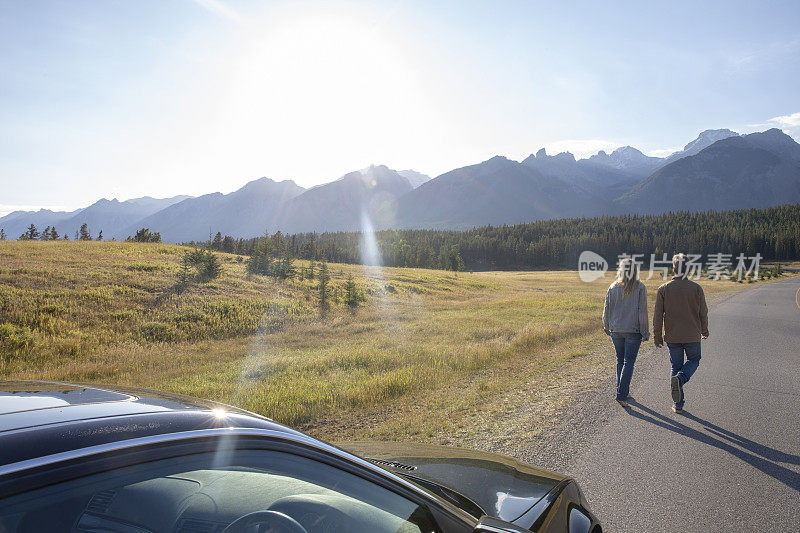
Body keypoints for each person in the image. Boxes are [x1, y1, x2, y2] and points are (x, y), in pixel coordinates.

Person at [653, 253, 709, 413]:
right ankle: (682, 379)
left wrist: (657, 336)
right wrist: (704, 330)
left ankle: (678, 404)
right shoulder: (696, 288)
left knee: (675, 365)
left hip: (673, 336)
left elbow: (658, 315)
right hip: (692, 334)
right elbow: (703, 313)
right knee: (694, 360)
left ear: (674, 268)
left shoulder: (664, 289)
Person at [602, 258, 649, 408]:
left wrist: (607, 326)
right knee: (629, 362)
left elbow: (606, 309)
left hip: (616, 330)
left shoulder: (613, 287)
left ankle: (622, 390)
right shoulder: (640, 287)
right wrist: (645, 331)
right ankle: (622, 394)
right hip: (633, 330)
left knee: (620, 360)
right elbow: (642, 312)